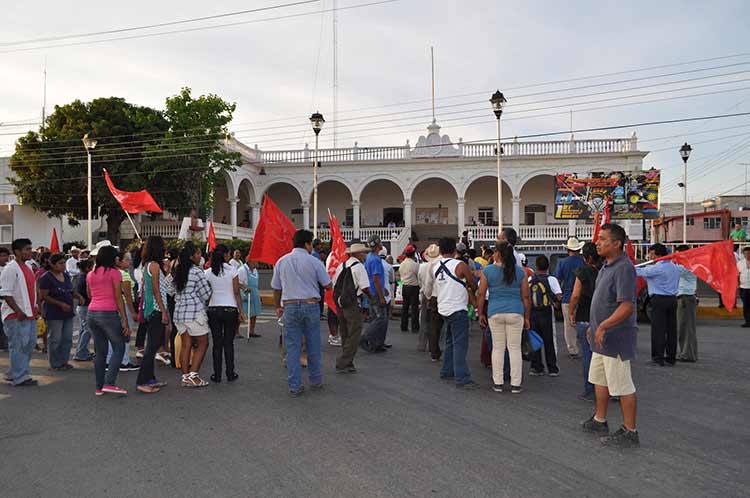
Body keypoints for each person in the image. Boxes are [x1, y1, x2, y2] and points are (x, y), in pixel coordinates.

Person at [581, 223, 640, 448]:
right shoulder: (606, 267)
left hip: (615, 337)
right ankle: (600, 419)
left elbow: (626, 307)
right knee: (599, 379)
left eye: (603, 239)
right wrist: (594, 326)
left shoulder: (624, 268)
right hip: (600, 336)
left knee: (622, 384)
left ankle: (630, 430)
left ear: (617, 244)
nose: (598, 242)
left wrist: (604, 326)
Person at [271, 229, 332, 396]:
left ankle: (294, 385)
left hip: (289, 306)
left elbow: (276, 289)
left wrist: (278, 307)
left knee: (292, 347)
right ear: (307, 244)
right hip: (311, 305)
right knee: (313, 344)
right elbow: (327, 285)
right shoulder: (314, 261)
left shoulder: (281, 261)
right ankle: (315, 380)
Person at [423, 237, 479, 389]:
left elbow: (428, 288)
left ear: (440, 251)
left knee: (450, 340)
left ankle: (447, 370)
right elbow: (473, 284)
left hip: (443, 308)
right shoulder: (460, 265)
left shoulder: (434, 266)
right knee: (460, 343)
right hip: (458, 308)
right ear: (455, 250)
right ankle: (462, 377)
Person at [476, 241, 530, 393]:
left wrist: (480, 313)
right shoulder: (520, 272)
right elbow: (526, 297)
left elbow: (481, 293)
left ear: (498, 254)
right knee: (514, 349)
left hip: (495, 312)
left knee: (498, 348)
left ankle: (498, 383)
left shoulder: (488, 271)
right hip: (516, 312)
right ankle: (515, 384)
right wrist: (527, 317)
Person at [86, 245, 130, 396]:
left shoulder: (91, 273)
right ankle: (109, 382)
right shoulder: (115, 273)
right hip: (108, 312)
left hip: (92, 312)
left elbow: (89, 294)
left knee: (100, 351)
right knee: (119, 347)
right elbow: (119, 297)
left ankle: (99, 386)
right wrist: (124, 319)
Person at [1, 239, 40, 386]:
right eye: (27, 249)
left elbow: (32, 289)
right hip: (15, 314)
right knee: (18, 345)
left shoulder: (28, 267)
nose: (30, 252)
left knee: (29, 344)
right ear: (17, 252)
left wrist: (37, 306)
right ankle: (20, 377)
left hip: (29, 313)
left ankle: (14, 372)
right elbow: (6, 293)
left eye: (31, 249)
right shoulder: (11, 268)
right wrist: (18, 311)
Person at [173, 241, 212, 387]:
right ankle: (193, 374)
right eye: (197, 253)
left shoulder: (177, 271)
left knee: (186, 345)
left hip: (179, 313)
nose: (200, 256)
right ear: (191, 256)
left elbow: (171, 291)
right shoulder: (197, 272)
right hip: (195, 313)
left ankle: (185, 376)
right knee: (203, 343)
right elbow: (206, 294)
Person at [205, 244, 246, 383]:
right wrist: (241, 311)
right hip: (230, 309)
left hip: (213, 309)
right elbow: (236, 292)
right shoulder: (233, 270)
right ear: (226, 255)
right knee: (228, 343)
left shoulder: (209, 271)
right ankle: (230, 373)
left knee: (217, 343)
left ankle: (217, 375)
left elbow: (205, 291)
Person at [636, 243, 681, 366]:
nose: (649, 256)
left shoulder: (656, 268)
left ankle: (658, 358)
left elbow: (637, 271)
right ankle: (671, 357)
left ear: (656, 254)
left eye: (650, 253)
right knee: (671, 330)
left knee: (658, 330)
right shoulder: (675, 267)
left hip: (659, 300)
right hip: (672, 300)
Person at [136, 236, 171, 394]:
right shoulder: (155, 265)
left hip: (152, 309)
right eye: (163, 245)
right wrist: (164, 311)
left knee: (154, 344)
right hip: (156, 309)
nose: (165, 248)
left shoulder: (149, 264)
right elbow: (157, 291)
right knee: (152, 346)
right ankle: (142, 381)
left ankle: (150, 378)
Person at [333, 243, 374, 373]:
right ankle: (343, 362)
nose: (365, 255)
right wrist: (372, 298)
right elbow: (365, 287)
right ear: (358, 254)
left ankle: (348, 362)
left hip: (340, 303)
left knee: (345, 333)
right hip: (351, 303)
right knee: (355, 333)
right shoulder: (359, 267)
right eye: (363, 253)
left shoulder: (342, 266)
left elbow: (335, 284)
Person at [38, 253, 84, 371]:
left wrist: (79, 296)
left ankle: (64, 361)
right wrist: (60, 304)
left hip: (67, 312)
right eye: (60, 263)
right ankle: (55, 363)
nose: (63, 265)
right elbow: (44, 296)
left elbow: (70, 290)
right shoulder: (46, 278)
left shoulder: (66, 275)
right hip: (54, 313)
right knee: (55, 339)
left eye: (64, 263)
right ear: (52, 264)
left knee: (67, 338)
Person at [569, 242, 602, 401]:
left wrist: (571, 312)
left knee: (588, 355)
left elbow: (575, 295)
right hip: (603, 316)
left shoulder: (583, 271)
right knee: (605, 355)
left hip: (585, 315)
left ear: (587, 257)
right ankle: (610, 389)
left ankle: (590, 389)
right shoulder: (605, 268)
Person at [528, 255, 561, 377]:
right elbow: (558, 295)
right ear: (548, 267)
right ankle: (552, 367)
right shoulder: (552, 279)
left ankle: (536, 367)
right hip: (546, 312)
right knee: (549, 340)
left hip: (533, 312)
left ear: (536, 266)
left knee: (534, 339)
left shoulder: (530, 280)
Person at [108, 251, 139, 371]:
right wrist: (132, 312)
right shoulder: (123, 275)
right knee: (126, 334)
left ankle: (111, 359)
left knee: (113, 335)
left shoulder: (110, 273)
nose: (130, 262)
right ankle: (124, 361)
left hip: (112, 307)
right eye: (127, 259)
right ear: (118, 261)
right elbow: (127, 296)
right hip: (124, 306)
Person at [555, 236, 586, 359]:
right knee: (583, 321)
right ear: (578, 249)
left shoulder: (562, 263)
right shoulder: (583, 262)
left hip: (567, 297)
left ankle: (572, 349)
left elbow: (557, 279)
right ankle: (586, 345)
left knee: (569, 325)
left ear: (568, 250)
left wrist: (558, 295)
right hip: (583, 296)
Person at [360, 235, 389, 353]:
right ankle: (365, 338)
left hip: (372, 291)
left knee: (374, 318)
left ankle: (376, 343)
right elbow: (376, 278)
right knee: (380, 318)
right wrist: (381, 295)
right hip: (376, 293)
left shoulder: (370, 257)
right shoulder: (376, 259)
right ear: (378, 245)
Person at [674, 245, 698, 362]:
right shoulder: (686, 264)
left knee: (686, 327)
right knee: (686, 327)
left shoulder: (687, 265)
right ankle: (688, 353)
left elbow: (673, 270)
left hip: (686, 298)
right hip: (686, 297)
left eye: (678, 254)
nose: (676, 257)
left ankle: (687, 354)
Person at [417, 244, 440, 355]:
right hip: (437, 295)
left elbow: (420, 281)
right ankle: (434, 346)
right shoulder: (439, 265)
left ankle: (422, 344)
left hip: (426, 295)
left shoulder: (422, 266)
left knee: (424, 321)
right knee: (436, 324)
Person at [72, 259, 95, 362]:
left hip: (82, 307)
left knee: (83, 330)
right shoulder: (85, 278)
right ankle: (80, 353)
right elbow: (89, 294)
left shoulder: (81, 277)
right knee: (87, 330)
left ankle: (82, 351)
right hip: (85, 307)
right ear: (87, 268)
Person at [237, 256, 262, 339]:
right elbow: (237, 283)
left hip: (254, 293)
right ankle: (236, 331)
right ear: (250, 261)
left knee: (254, 313)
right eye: (255, 260)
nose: (257, 262)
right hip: (245, 293)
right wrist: (245, 288)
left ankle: (251, 331)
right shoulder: (242, 270)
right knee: (242, 313)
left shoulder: (255, 270)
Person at [399, 245, 420, 333]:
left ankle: (404, 326)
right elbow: (418, 276)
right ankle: (414, 327)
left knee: (405, 307)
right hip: (414, 287)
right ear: (413, 254)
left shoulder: (402, 264)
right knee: (414, 308)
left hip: (405, 286)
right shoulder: (415, 265)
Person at [737, 246, 750, 327]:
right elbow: (737, 275)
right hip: (743, 288)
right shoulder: (740, 263)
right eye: (745, 253)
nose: (747, 255)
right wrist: (738, 284)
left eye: (748, 253)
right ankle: (747, 321)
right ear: (743, 254)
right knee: (746, 305)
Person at [0, 247, 9, 352]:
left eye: (6, 255)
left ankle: (4, 343)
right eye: (3, 256)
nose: (5, 258)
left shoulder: (9, 268)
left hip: (7, 300)